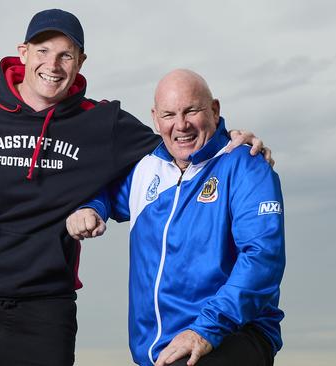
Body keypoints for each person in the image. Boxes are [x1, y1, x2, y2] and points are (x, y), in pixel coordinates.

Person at [0, 9, 273, 366]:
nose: (53, 64)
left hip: (43, 310)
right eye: (42, 51)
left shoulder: (104, 124)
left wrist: (234, 143)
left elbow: (180, 143)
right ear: (23, 53)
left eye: (65, 54)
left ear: (80, 62)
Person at [66, 69, 285, 366]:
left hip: (231, 333)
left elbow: (263, 258)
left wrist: (205, 330)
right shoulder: (147, 170)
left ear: (215, 110)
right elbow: (109, 194)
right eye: (169, 115)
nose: (180, 125)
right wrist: (91, 208)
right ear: (155, 119)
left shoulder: (246, 167)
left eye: (191, 110)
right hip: (158, 351)